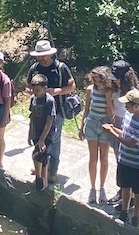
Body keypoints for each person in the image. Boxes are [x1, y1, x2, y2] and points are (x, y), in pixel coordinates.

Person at [27, 39, 74, 186]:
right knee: (38, 139)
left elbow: (72, 87)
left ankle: (52, 170)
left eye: (44, 55)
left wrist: (55, 92)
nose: (42, 58)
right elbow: (28, 87)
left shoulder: (60, 68)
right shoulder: (34, 68)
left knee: (53, 141)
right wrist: (34, 92)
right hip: (38, 111)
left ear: (50, 54)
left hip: (57, 110)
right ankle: (41, 167)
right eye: (39, 56)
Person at [103, 88, 139, 227]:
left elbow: (130, 143)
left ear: (136, 106)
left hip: (136, 163)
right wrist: (113, 128)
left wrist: (111, 132)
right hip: (124, 159)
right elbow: (125, 133)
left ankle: (136, 217)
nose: (125, 106)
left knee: (138, 192)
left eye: (127, 104)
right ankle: (124, 211)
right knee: (125, 187)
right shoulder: (128, 116)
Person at [78, 65, 117, 204]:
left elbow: (111, 114)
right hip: (92, 124)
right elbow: (86, 110)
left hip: (106, 125)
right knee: (93, 158)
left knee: (104, 158)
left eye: (100, 81)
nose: (97, 83)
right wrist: (81, 128)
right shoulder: (90, 90)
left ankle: (102, 188)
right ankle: (93, 188)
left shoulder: (110, 92)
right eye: (95, 80)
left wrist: (107, 98)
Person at [105, 59, 139, 205]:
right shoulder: (116, 88)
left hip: (127, 125)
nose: (115, 81)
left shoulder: (132, 92)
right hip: (116, 122)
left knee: (125, 162)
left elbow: (135, 113)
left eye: (117, 78)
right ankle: (123, 191)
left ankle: (129, 195)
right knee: (119, 160)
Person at [27, 74, 57, 190]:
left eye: (38, 90)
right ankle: (45, 182)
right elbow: (32, 116)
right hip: (36, 132)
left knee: (37, 155)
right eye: (33, 90)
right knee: (43, 158)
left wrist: (42, 140)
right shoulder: (33, 99)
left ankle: (39, 178)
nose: (35, 92)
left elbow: (49, 121)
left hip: (46, 135)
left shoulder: (49, 101)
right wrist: (30, 133)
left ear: (45, 89)